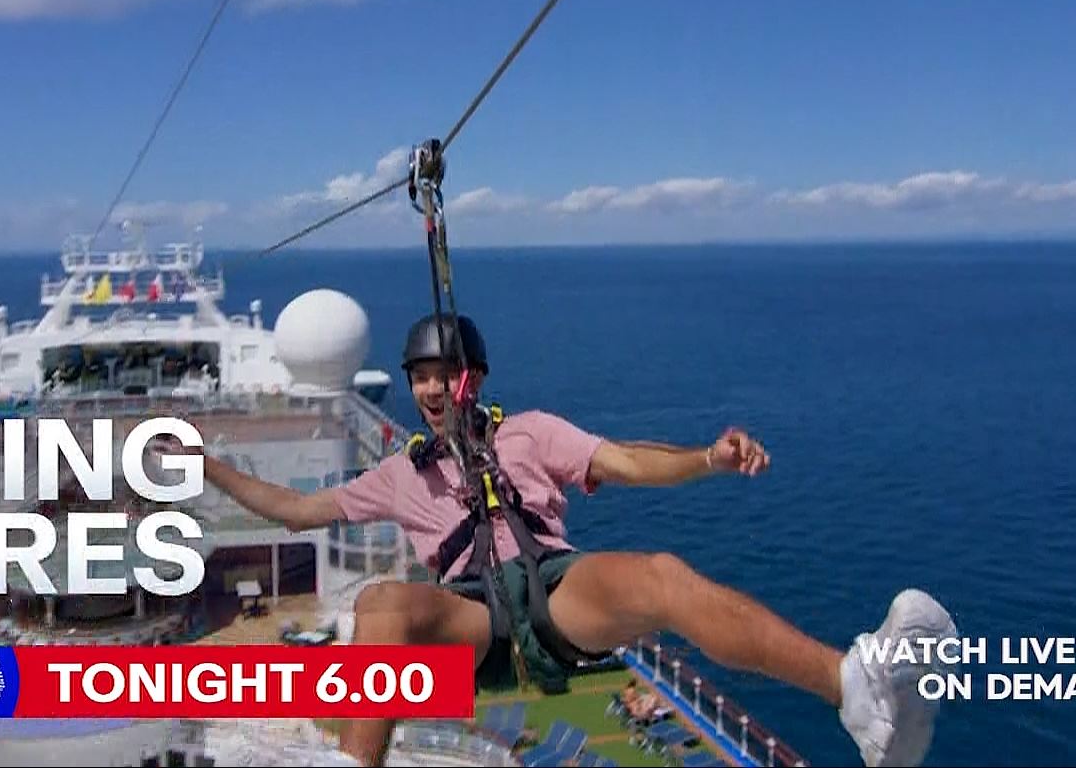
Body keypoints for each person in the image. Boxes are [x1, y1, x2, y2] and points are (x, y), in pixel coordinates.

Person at [183, 313, 958, 768]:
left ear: (474, 379)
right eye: (419, 376)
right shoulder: (399, 475)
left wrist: (706, 459)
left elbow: (627, 461)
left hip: (554, 593)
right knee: (384, 603)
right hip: (471, 616)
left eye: (444, 373)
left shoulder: (529, 434)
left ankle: (855, 691)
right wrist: (206, 463)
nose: (430, 388)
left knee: (661, 576)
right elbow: (292, 509)